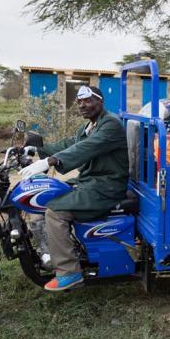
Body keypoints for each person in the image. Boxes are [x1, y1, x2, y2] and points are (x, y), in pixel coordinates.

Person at [19, 85, 129, 291]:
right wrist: (38, 150)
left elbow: (85, 148)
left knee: (55, 213)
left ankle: (69, 272)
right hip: (89, 182)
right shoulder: (89, 127)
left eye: (87, 100)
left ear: (100, 101)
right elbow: (69, 143)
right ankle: (51, 251)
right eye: (79, 101)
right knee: (46, 195)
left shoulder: (110, 125)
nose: (82, 105)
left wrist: (50, 161)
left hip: (106, 187)